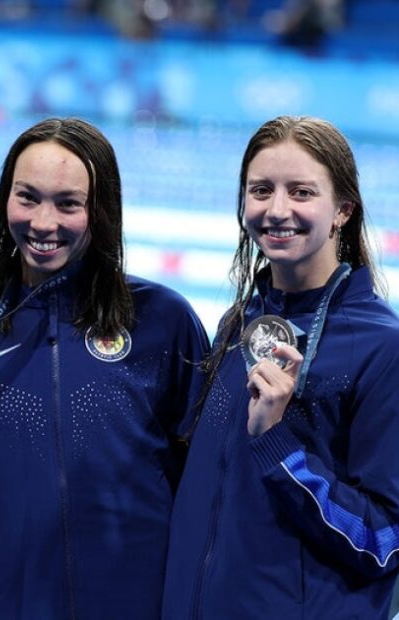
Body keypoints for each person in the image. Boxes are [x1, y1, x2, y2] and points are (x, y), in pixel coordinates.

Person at [0, 117, 209, 619]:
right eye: (27, 197)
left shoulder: (162, 322)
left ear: (101, 211)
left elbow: (203, 497)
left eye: (68, 203)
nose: (44, 222)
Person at [162, 115, 399, 619]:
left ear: (342, 211)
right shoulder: (239, 323)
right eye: (261, 190)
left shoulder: (382, 348)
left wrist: (277, 443)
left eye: (301, 192)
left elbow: (385, 539)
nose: (277, 210)